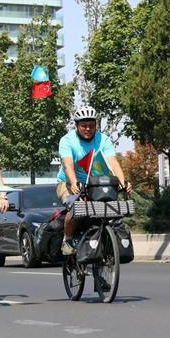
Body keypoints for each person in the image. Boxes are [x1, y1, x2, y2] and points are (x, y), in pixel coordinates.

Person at [57, 106, 132, 255]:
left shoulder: (103, 139)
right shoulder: (67, 140)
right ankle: (68, 239)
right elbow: (68, 165)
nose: (88, 129)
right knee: (77, 207)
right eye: (84, 125)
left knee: (109, 209)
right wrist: (73, 182)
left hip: (95, 183)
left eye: (91, 125)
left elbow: (113, 163)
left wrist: (123, 182)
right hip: (68, 182)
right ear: (77, 125)